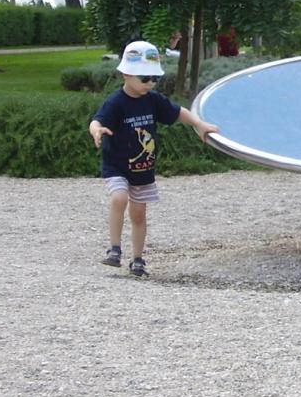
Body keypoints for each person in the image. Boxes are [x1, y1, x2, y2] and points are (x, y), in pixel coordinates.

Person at [89, 40, 219, 276]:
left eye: (154, 78)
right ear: (126, 74)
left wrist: (199, 124)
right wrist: (97, 130)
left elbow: (178, 112)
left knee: (139, 213)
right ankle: (114, 249)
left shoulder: (153, 100)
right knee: (119, 197)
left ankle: (138, 259)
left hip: (143, 169)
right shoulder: (116, 102)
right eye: (145, 78)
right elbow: (97, 120)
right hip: (117, 166)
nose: (150, 83)